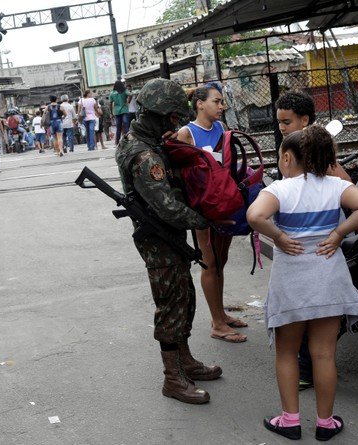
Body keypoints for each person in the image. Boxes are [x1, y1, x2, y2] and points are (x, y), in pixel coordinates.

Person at [246, 126, 358, 441]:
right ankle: (325, 422)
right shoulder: (335, 186)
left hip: (291, 284)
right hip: (328, 281)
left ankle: (290, 420)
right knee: (323, 353)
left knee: (287, 352)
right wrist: (337, 234)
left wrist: (278, 235)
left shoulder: (278, 190)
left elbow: (254, 216)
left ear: (288, 158)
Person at [115, 78, 223, 405]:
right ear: (160, 114)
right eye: (173, 116)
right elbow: (167, 207)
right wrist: (207, 220)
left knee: (184, 297)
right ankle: (172, 378)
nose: (175, 123)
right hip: (159, 238)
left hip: (168, 235)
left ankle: (185, 360)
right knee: (170, 305)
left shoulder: (147, 141)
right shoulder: (143, 153)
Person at [275, 91, 351, 390]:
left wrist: (279, 236)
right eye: (279, 121)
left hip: (307, 254)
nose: (281, 127)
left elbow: (256, 215)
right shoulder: (305, 148)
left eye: (286, 121)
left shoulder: (312, 153)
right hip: (317, 246)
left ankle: (306, 374)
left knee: (305, 324)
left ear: (305, 120)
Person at [175, 82, 247, 344]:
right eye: (216, 101)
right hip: (203, 207)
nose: (221, 106)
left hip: (223, 203)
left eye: (221, 102)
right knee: (210, 262)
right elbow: (179, 175)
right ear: (200, 104)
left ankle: (221, 314)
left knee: (221, 259)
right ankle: (217, 323)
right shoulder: (187, 134)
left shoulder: (220, 128)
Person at [109, 80, 130, 144]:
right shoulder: (124, 91)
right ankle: (128, 140)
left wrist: (111, 112)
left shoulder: (112, 93)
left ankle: (117, 142)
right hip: (124, 110)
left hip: (116, 111)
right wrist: (128, 101)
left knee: (118, 127)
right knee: (126, 125)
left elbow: (110, 103)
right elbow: (130, 94)